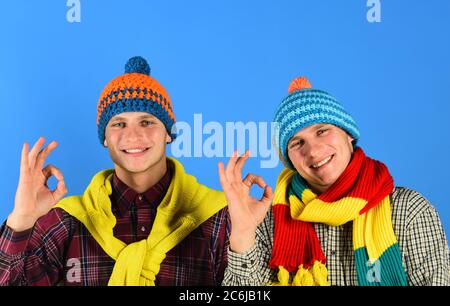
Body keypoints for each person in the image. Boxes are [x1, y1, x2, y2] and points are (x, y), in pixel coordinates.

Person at [0, 56, 229, 286]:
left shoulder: (215, 218)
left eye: (147, 122)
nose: (132, 136)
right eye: (119, 124)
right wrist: (21, 220)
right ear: (105, 138)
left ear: (168, 133)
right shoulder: (66, 222)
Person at [220, 76, 450, 286]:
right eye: (297, 143)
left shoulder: (408, 210)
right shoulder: (268, 222)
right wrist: (243, 231)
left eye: (322, 131)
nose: (313, 150)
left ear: (348, 133)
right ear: (289, 159)